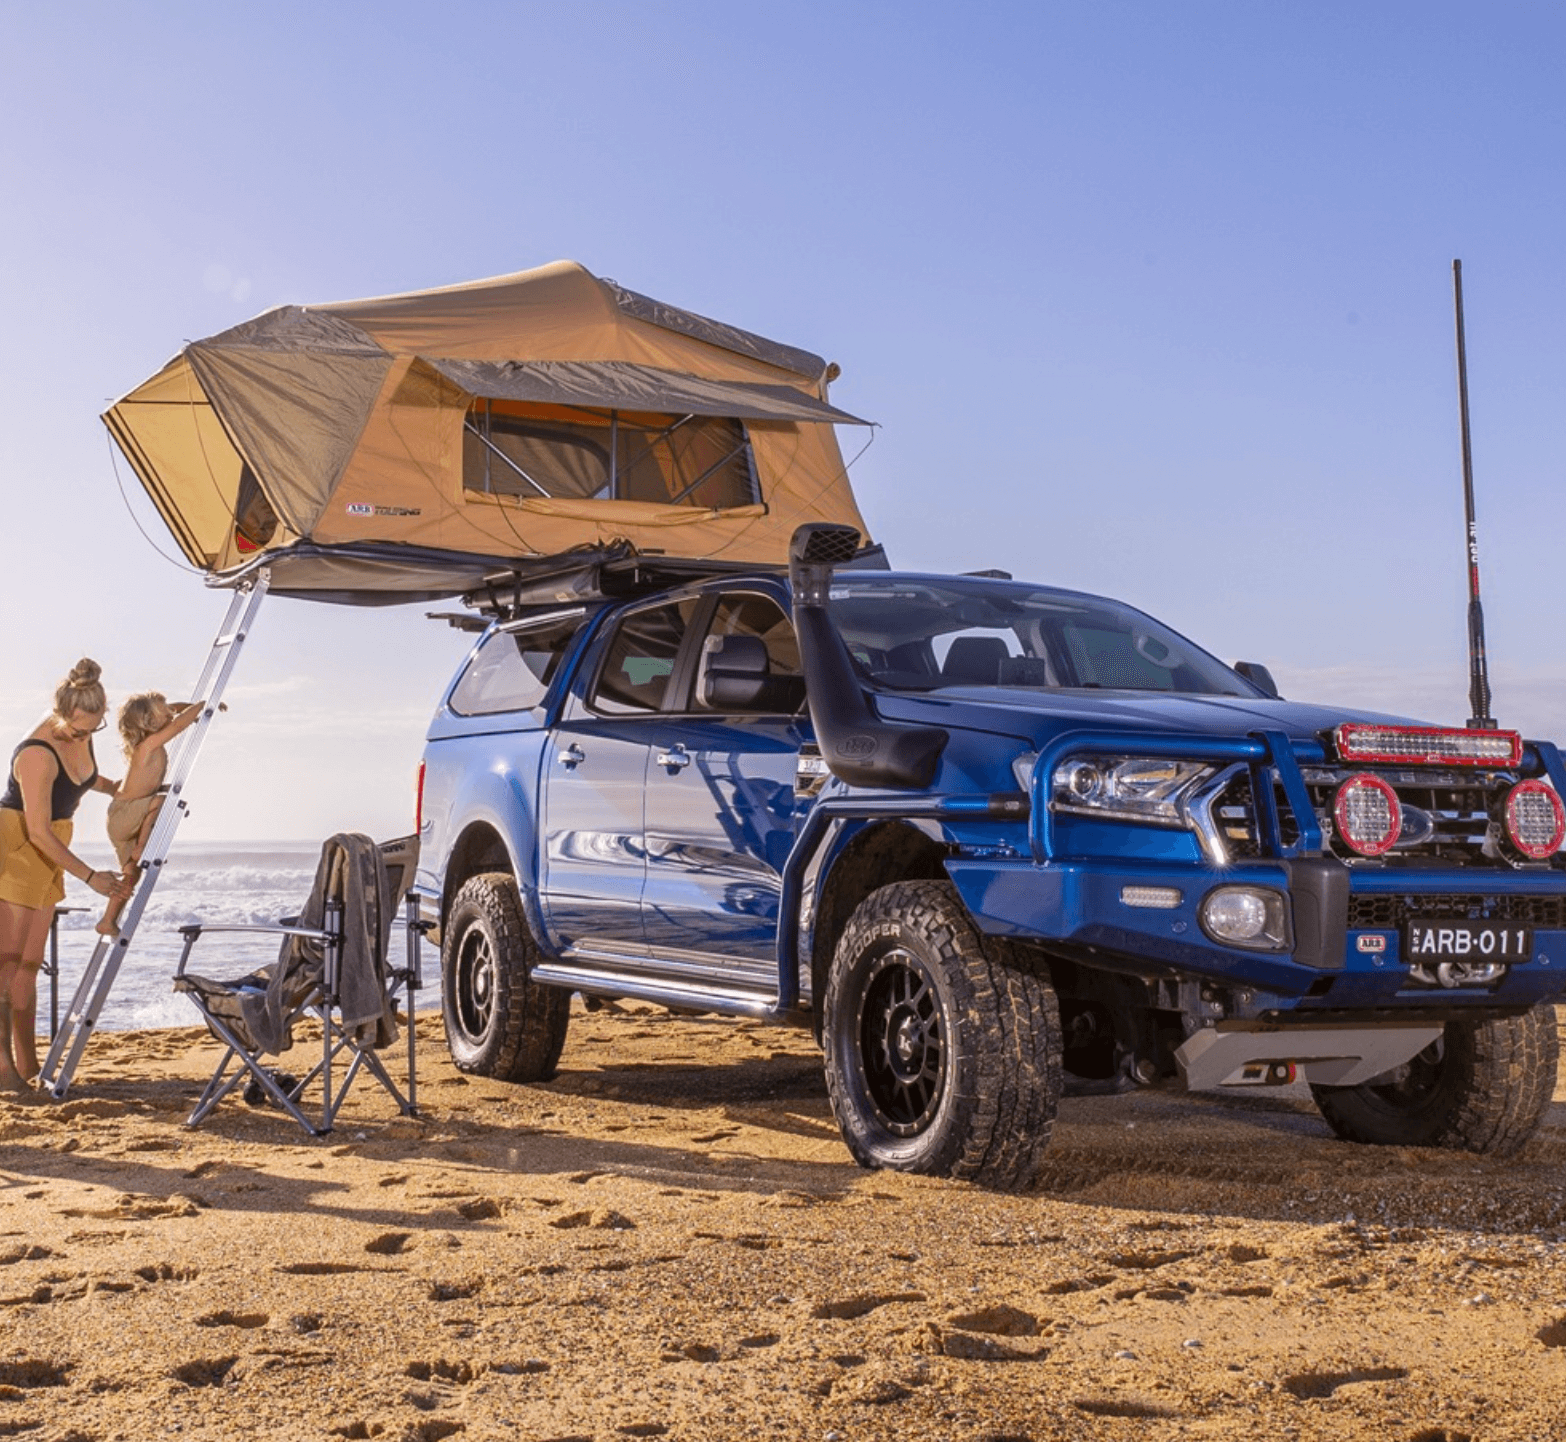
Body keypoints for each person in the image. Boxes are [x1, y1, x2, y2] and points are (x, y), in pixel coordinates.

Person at [0, 659, 130, 1094]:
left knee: (30, 965)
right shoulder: (36, 754)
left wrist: (114, 787)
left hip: (51, 848)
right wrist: (91, 877)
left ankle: (29, 1061)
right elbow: (36, 830)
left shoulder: (82, 732)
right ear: (59, 715)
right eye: (77, 731)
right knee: (6, 964)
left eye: (93, 731)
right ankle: (3, 1071)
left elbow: (78, 778)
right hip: (18, 845)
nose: (84, 738)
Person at [97, 692, 215, 936]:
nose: (171, 715)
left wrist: (192, 708)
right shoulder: (148, 746)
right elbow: (180, 722)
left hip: (126, 816)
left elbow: (176, 712)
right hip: (126, 813)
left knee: (132, 873)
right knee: (164, 801)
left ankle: (108, 920)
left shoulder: (151, 741)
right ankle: (141, 846)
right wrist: (205, 705)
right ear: (149, 722)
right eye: (164, 714)